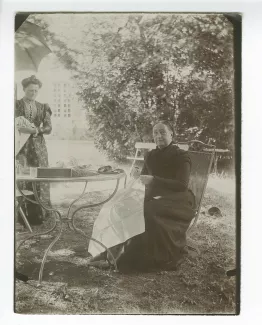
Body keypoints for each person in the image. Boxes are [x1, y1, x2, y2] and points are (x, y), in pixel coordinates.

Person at [89, 120, 196, 272]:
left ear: (171, 133)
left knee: (146, 210)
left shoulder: (181, 156)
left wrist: (154, 180)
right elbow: (145, 179)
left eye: (163, 132)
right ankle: (109, 252)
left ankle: (126, 259)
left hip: (178, 200)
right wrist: (138, 176)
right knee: (120, 206)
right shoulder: (151, 155)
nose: (158, 135)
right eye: (155, 133)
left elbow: (181, 185)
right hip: (155, 196)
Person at [15, 75, 52, 224]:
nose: (33, 93)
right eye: (30, 90)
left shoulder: (43, 106)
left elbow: (48, 128)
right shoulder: (16, 105)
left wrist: (36, 130)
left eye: (36, 91)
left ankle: (41, 215)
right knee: (23, 178)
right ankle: (24, 217)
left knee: (40, 177)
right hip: (21, 146)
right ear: (24, 89)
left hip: (38, 148)